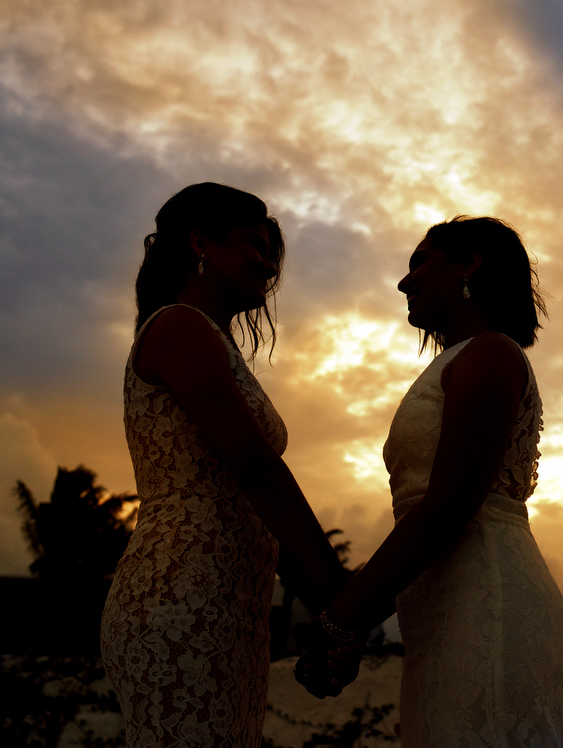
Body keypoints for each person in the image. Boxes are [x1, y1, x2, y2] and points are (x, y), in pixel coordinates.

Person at [296, 216, 563, 746]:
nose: (405, 283)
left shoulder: (492, 353)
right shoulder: (456, 362)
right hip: (439, 613)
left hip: (488, 604)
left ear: (469, 263)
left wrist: (341, 621)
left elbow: (450, 504)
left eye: (420, 263)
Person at [101, 183, 352, 747]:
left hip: (231, 606)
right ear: (201, 244)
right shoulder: (179, 327)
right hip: (182, 593)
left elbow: (256, 500)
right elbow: (256, 472)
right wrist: (344, 602)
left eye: (271, 253)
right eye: (254, 246)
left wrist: (328, 615)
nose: (268, 266)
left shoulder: (209, 339)